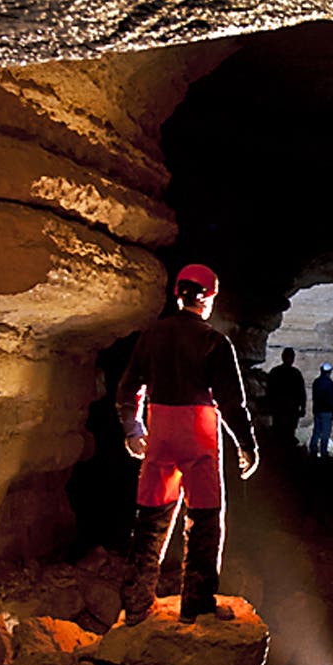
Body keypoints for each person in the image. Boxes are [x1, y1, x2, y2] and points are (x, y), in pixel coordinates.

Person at [115, 263, 258, 620]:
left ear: (177, 294)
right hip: (198, 439)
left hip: (159, 438)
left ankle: (135, 606)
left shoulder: (151, 336)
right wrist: (247, 444)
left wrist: (133, 430)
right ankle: (196, 606)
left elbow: (129, 388)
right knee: (205, 522)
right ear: (208, 298)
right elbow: (231, 403)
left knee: (151, 520)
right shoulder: (214, 341)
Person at [266, 347, 307, 450]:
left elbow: (269, 390)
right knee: (288, 432)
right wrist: (303, 407)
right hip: (290, 409)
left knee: (279, 432)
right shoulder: (295, 373)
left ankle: (280, 457)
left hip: (279, 408)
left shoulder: (275, 372)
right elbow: (301, 392)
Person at [309, 362, 333, 457]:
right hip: (327, 411)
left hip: (317, 410)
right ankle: (323, 450)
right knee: (325, 432)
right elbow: (331, 398)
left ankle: (313, 449)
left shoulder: (316, 382)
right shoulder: (329, 383)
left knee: (316, 431)